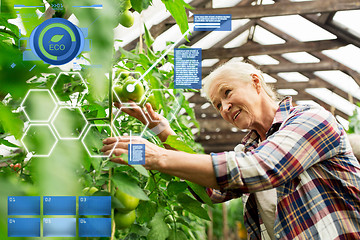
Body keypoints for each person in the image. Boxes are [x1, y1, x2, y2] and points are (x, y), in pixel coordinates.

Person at [101, 61, 360, 239]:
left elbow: (262, 168)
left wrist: (157, 156)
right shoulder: (249, 148)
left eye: (227, 93)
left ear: (256, 83)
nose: (224, 108)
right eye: (217, 105)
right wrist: (163, 132)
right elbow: (211, 192)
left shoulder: (312, 119)